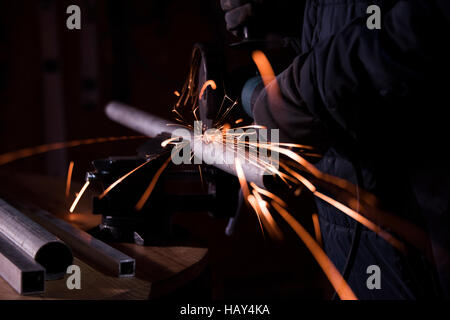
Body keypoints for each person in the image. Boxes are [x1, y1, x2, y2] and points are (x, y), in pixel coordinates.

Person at [221, 0, 450, 299]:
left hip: (426, 240)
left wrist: (311, 86)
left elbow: (428, 25)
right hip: (359, 249)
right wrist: (293, 17)